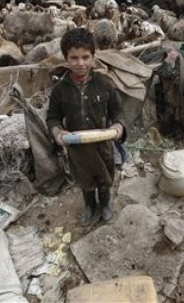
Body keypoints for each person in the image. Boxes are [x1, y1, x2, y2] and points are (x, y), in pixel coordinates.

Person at [47, 28, 126, 226]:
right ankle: (89, 205)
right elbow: (53, 118)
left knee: (105, 178)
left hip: (102, 145)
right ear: (66, 58)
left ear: (93, 57)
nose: (80, 63)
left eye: (85, 57)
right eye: (74, 58)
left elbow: (118, 111)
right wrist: (57, 132)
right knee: (84, 179)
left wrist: (118, 126)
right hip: (77, 147)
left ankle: (105, 204)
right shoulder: (59, 90)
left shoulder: (105, 84)